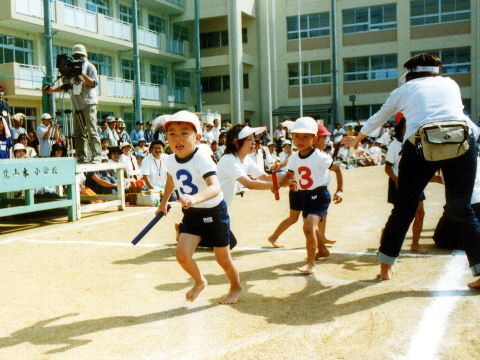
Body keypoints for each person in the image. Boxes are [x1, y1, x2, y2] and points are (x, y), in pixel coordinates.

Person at [342, 53, 480, 287]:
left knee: (404, 208)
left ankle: (386, 266)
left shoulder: (404, 89)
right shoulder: (450, 84)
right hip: (461, 142)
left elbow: (379, 117)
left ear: (409, 73)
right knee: (462, 209)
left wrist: (357, 140)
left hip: (420, 145)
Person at [156, 110, 242, 304]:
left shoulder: (202, 157)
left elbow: (215, 187)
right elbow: (172, 178)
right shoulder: (170, 159)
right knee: (182, 255)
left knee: (223, 259)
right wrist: (163, 203)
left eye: (184, 133)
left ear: (198, 137)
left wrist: (194, 198)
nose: (178, 138)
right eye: (172, 134)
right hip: (192, 214)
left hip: (214, 213)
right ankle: (200, 281)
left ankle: (236, 286)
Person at [274, 117, 342, 273]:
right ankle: (323, 250)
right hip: (305, 195)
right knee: (309, 227)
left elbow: (337, 169)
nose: (300, 140)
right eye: (297, 136)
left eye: (306, 136)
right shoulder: (293, 157)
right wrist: (278, 185)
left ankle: (310, 264)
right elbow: (289, 176)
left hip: (319, 195)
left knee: (308, 225)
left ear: (314, 138)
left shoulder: (319, 156)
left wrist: (340, 189)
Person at [44, 44, 103, 164]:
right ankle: (81, 156)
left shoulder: (90, 67)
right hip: (76, 104)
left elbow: (93, 84)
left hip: (89, 103)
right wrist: (52, 90)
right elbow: (66, 86)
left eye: (79, 56)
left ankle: (97, 155)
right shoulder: (70, 69)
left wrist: (81, 73)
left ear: (84, 56)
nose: (77, 59)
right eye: (75, 57)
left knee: (91, 130)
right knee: (78, 132)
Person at [384, 114, 428, 254]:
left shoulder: (419, 143)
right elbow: (388, 168)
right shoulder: (395, 145)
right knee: (400, 216)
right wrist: (397, 181)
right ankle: (386, 237)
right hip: (399, 184)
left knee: (420, 213)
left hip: (416, 183)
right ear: (402, 128)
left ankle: (415, 244)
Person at [217, 124, 274, 207]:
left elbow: (266, 178)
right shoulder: (229, 160)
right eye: (249, 139)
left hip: (219, 208)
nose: (254, 142)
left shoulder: (246, 159)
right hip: (209, 208)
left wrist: (290, 177)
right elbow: (249, 184)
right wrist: (275, 185)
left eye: (253, 138)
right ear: (237, 143)